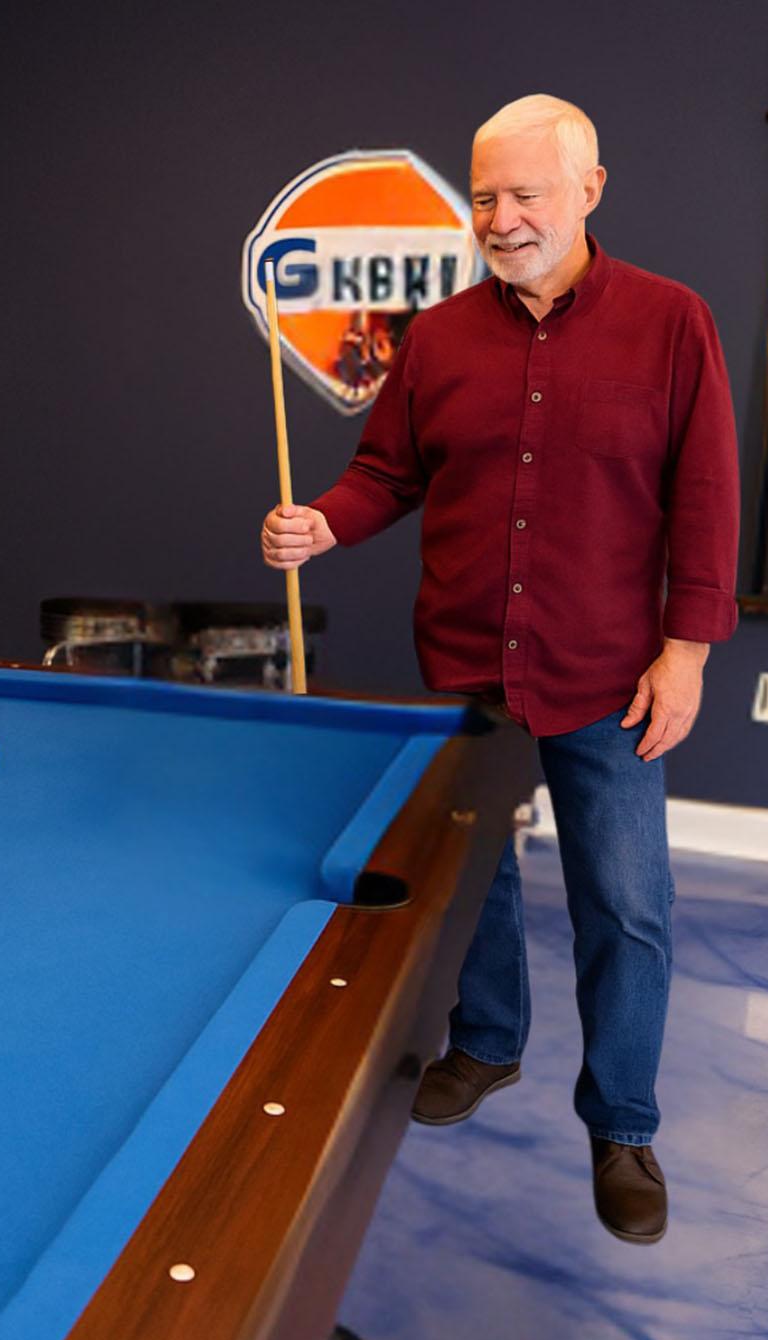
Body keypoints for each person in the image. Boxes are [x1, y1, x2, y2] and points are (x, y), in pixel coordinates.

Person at [260, 95, 737, 1244]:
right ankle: (484, 1042)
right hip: (465, 663)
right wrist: (325, 521)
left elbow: (707, 494)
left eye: (526, 194)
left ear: (589, 190)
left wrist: (686, 653)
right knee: (473, 882)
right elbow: (387, 472)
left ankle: (622, 1122)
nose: (502, 218)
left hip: (609, 677)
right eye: (485, 196)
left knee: (627, 906)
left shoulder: (673, 322)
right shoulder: (437, 339)